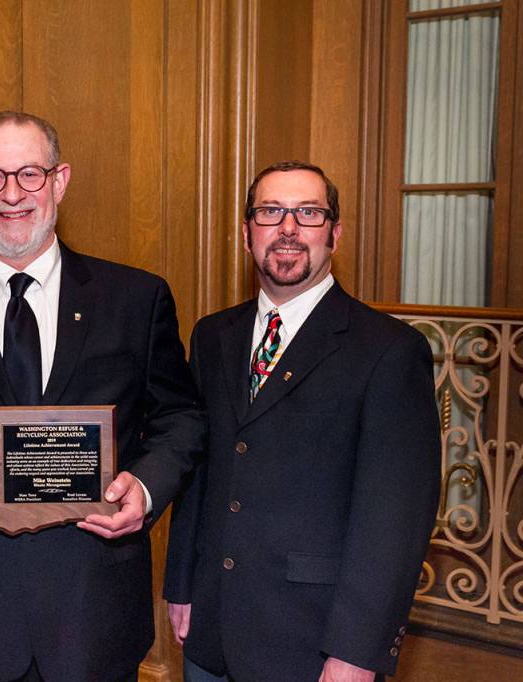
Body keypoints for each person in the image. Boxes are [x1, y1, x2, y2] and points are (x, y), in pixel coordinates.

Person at [0, 111, 204, 682]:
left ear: (60, 180)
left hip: (96, 612)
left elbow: (182, 418)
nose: (12, 195)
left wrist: (146, 488)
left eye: (29, 174)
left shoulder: (135, 299)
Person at [163, 161, 440, 681]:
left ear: (334, 233)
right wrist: (182, 585)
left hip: (314, 645)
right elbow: (198, 473)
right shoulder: (212, 336)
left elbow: (395, 520)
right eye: (271, 212)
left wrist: (358, 651)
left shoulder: (390, 351)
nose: (288, 228)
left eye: (308, 213)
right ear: (247, 234)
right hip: (211, 630)